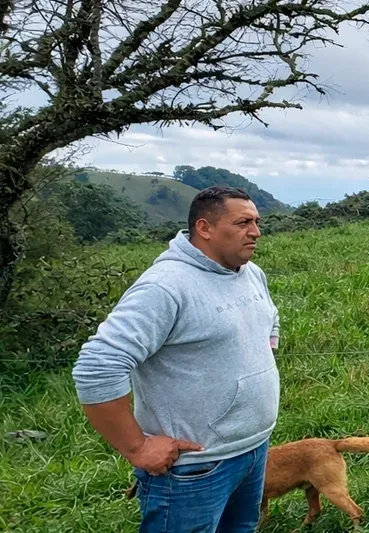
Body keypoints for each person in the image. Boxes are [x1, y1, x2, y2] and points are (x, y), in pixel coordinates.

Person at [72, 186, 280, 532]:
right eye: (243, 222)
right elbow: (97, 367)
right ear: (205, 228)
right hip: (194, 468)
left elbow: (269, 318)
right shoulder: (166, 287)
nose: (256, 232)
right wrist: (138, 448)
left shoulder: (251, 273)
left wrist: (256, 359)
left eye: (256, 222)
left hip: (254, 449)